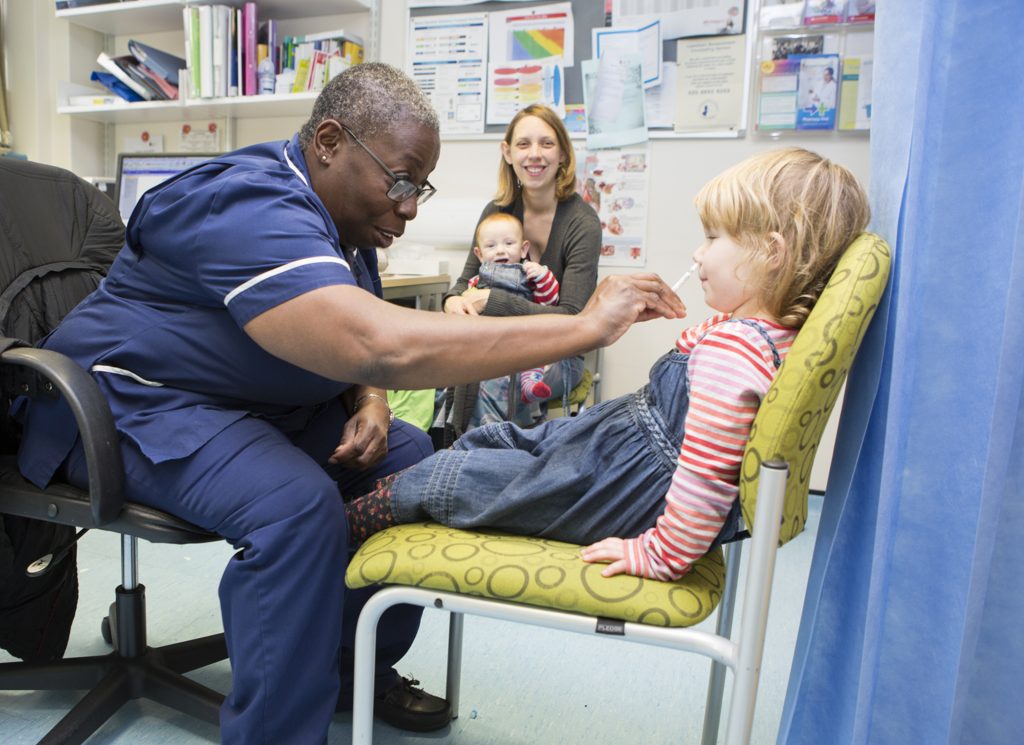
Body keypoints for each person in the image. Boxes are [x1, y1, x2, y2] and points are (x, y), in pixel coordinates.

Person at [12, 63, 684, 744]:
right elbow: (376, 341)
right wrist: (581, 327)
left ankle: (346, 666)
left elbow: (359, 329)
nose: (411, 206)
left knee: (407, 458)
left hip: (243, 406)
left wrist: (371, 399)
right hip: (128, 403)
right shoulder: (247, 204)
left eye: (418, 186)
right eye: (398, 182)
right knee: (294, 507)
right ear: (329, 141)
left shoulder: (343, 219)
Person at [344, 147, 871, 583]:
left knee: (462, 476)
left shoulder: (735, 353)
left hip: (620, 481)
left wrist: (662, 554)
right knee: (500, 440)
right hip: (615, 446)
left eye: (713, 239)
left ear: (772, 253)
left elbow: (705, 477)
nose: (697, 255)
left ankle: (356, 518)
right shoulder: (760, 335)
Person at [441, 103, 601, 428]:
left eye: (546, 143)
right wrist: (454, 302)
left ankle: (482, 463)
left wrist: (496, 302)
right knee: (438, 374)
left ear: (563, 155)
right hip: (495, 344)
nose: (534, 155)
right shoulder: (497, 211)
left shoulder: (582, 223)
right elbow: (462, 286)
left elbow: (573, 317)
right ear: (508, 152)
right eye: (523, 144)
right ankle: (460, 456)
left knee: (494, 378)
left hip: (556, 356)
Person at [464, 212, 560, 403]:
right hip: (488, 340)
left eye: (509, 244)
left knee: (534, 353)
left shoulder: (530, 274)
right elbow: (468, 307)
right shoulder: (476, 281)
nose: (500, 250)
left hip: (522, 337)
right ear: (479, 254)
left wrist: (542, 276)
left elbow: (550, 302)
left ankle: (530, 385)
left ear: (524, 249)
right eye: (491, 246)